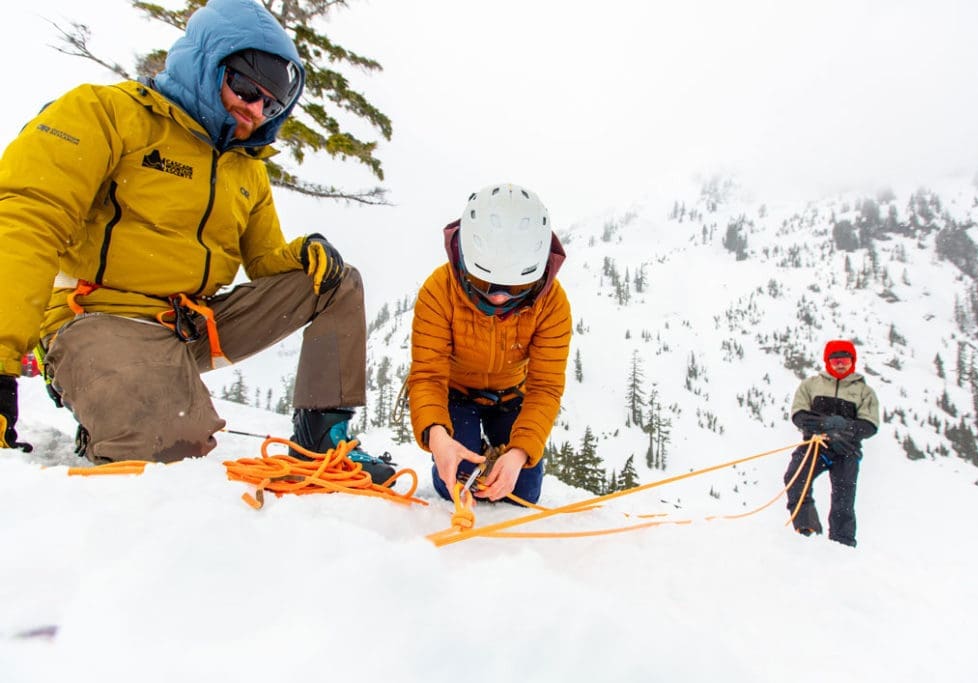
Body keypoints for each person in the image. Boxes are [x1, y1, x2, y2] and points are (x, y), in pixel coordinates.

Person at [0, 0, 394, 483]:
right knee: (173, 452)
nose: (254, 108)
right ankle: (114, 416)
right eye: (246, 87)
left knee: (334, 281)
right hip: (99, 316)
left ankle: (321, 438)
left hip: (189, 324)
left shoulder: (245, 168)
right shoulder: (107, 114)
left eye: (269, 102)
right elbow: (25, 219)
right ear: (204, 63)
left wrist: (299, 256)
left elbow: (264, 259)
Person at [408, 184, 572, 504]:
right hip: (456, 394)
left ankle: (498, 455)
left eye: (516, 286)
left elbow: (545, 387)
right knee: (455, 481)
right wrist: (438, 437)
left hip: (511, 395)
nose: (498, 296)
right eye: (484, 282)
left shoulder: (553, 304)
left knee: (523, 491)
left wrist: (520, 453)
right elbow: (427, 376)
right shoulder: (439, 291)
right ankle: (473, 451)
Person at [784, 339, 880, 547]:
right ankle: (806, 529)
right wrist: (824, 424)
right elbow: (799, 415)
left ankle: (842, 543)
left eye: (844, 360)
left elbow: (870, 425)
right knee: (794, 478)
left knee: (844, 497)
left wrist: (845, 428)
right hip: (814, 445)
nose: (840, 364)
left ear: (852, 361)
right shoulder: (811, 385)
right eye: (835, 360)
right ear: (827, 361)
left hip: (847, 450)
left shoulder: (864, 392)